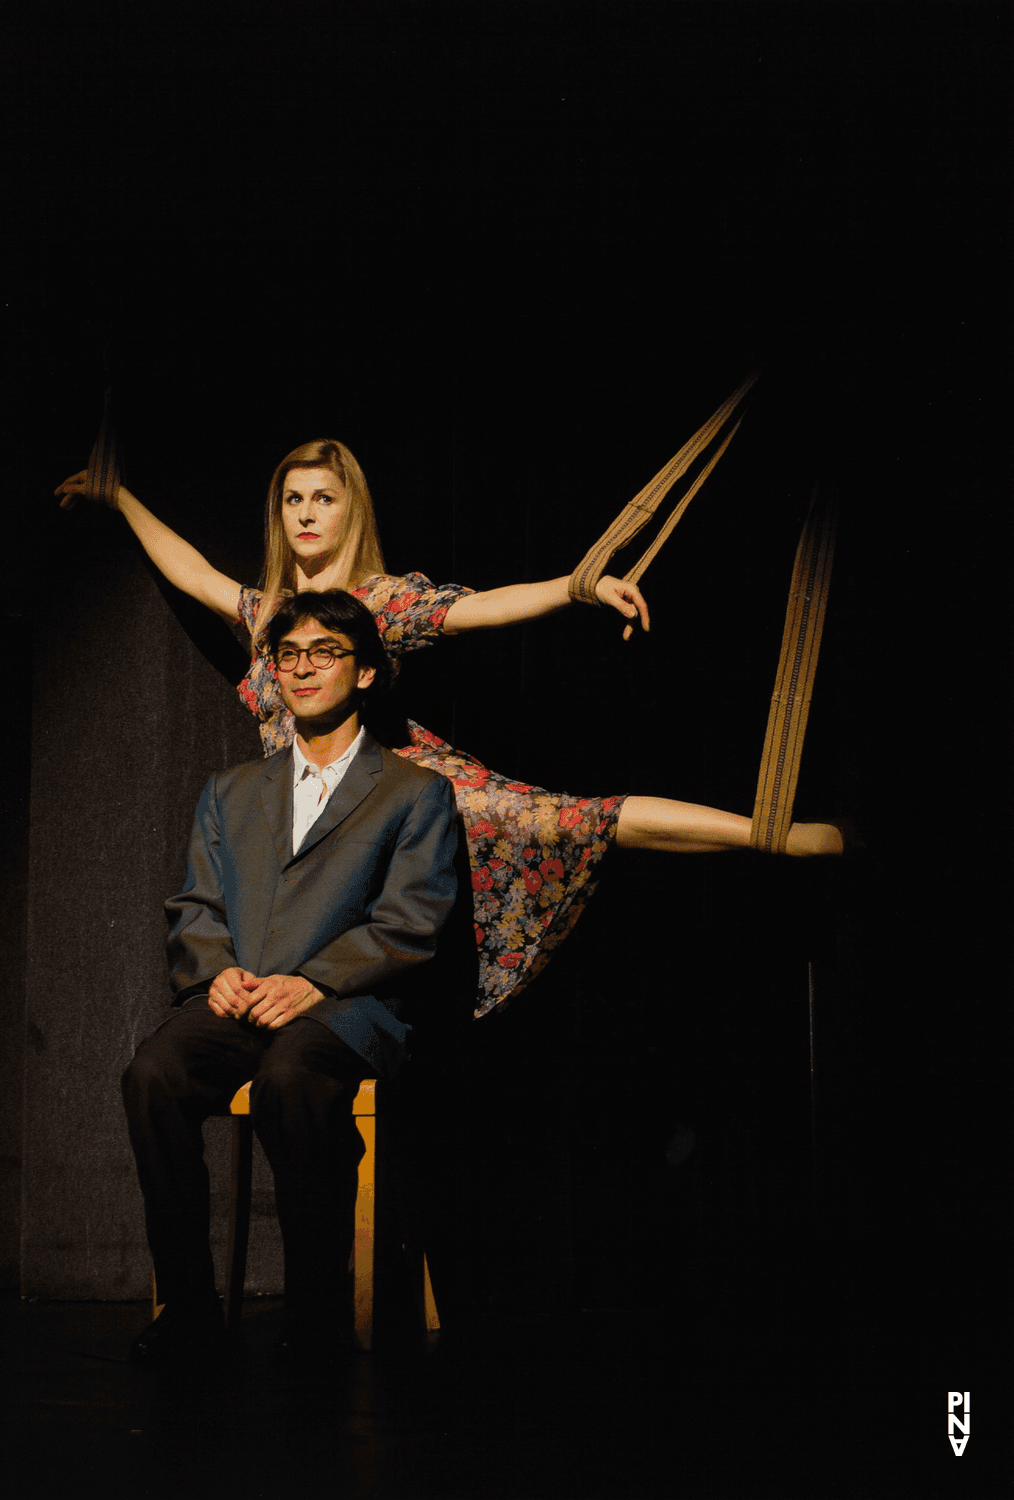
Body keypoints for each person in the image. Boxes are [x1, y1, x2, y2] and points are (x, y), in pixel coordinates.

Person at [58, 438, 843, 1018]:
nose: (305, 513)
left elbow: (481, 607)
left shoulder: (382, 599)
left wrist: (577, 587)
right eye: (293, 499)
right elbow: (193, 573)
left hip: (397, 787)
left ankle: (769, 834)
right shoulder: (268, 613)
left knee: (568, 818)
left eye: (323, 498)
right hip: (311, 814)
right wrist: (119, 497)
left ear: (350, 511)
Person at [120, 588, 463, 1360]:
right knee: (153, 1073)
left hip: (346, 1012)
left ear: (367, 672)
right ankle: (189, 1308)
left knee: (293, 1078)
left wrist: (316, 982)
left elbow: (412, 921)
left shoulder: (415, 793)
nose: (303, 668)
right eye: (288, 655)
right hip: (243, 1000)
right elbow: (196, 903)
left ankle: (317, 1309)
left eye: (326, 652)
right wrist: (215, 973)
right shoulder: (232, 790)